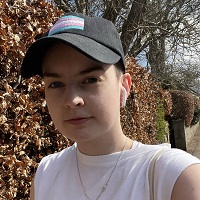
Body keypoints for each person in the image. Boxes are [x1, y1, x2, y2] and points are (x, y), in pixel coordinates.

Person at [21, 12, 200, 200]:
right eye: (56, 84)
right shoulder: (45, 174)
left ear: (124, 86)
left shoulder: (176, 178)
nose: (72, 100)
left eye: (90, 79)